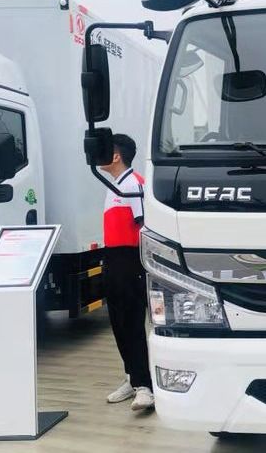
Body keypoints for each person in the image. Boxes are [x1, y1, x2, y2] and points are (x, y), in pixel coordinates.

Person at [99, 133, 154, 411]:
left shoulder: (134, 184)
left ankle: (146, 387)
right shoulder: (114, 186)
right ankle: (132, 378)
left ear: (116, 156)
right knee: (118, 322)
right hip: (113, 258)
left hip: (131, 260)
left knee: (132, 322)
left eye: (104, 151)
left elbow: (145, 227)